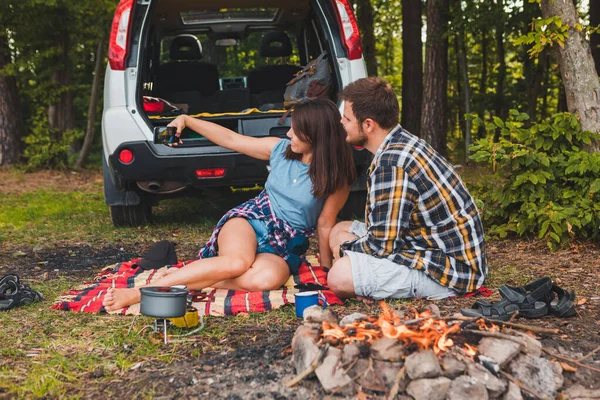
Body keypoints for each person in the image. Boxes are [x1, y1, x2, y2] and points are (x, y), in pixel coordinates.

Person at [103, 98, 356, 311]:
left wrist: (324, 270)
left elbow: (324, 225)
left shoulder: (336, 177)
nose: (289, 133)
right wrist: (187, 120)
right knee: (237, 263)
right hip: (252, 219)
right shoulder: (279, 150)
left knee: (267, 279)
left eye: (296, 129)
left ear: (315, 134)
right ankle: (144, 291)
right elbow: (230, 139)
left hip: (285, 243)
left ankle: (196, 280)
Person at [327, 77, 487, 301]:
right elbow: (386, 231)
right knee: (339, 229)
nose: (341, 123)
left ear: (368, 124)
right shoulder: (399, 141)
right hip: (421, 241)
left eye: (347, 118)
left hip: (449, 270)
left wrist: (345, 251)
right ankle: (366, 281)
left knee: (339, 275)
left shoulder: (391, 163)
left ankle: (364, 284)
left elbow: (382, 244)